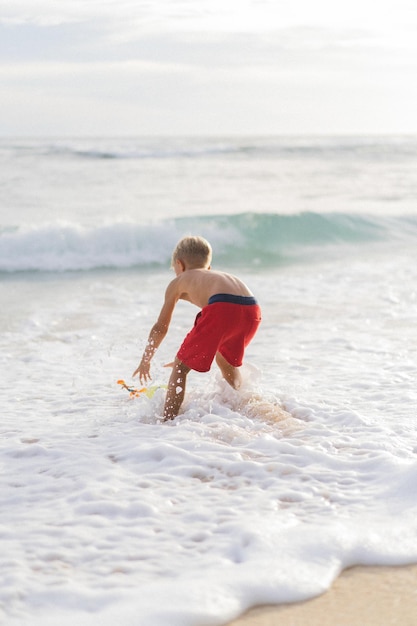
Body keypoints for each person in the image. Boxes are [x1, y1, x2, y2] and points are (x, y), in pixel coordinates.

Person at [132, 236, 261, 420]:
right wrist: (189, 353)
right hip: (252, 310)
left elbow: (161, 327)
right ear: (207, 266)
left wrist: (147, 360)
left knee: (180, 368)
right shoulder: (215, 277)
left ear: (179, 264)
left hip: (222, 307)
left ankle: (167, 421)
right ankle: (246, 399)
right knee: (224, 360)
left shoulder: (179, 280)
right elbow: (223, 317)